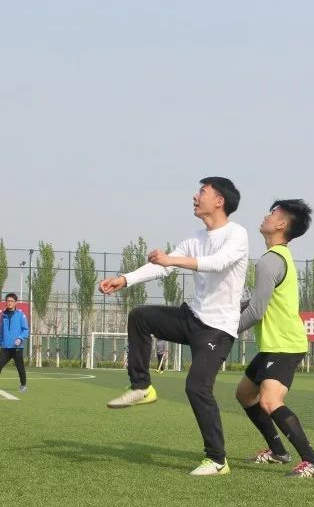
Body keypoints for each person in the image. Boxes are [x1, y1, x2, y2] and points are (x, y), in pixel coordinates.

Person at [98, 177, 248, 476]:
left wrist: (172, 260)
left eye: (202, 192)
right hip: (192, 317)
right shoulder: (195, 238)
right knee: (140, 316)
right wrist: (125, 279)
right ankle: (141, 387)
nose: (195, 196)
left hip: (218, 329)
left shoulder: (237, 234)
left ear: (219, 201)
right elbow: (162, 267)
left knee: (196, 388)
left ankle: (217, 460)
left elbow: (218, 263)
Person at [235, 199, 314, 477]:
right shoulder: (277, 257)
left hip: (285, 344)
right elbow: (259, 301)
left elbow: (256, 311)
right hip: (273, 345)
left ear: (282, 224)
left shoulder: (271, 260)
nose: (266, 216)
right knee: (245, 394)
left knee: (269, 400)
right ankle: (278, 452)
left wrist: (225, 330)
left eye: (273, 213)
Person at [0, 293, 29, 393]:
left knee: (20, 367)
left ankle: (23, 385)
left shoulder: (21, 315)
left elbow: (26, 330)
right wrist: (0, 342)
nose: (9, 303)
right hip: (5, 347)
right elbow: (1, 330)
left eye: (12, 301)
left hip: (17, 347)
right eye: (8, 301)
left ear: (16, 302)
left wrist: (20, 338)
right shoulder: (3, 315)